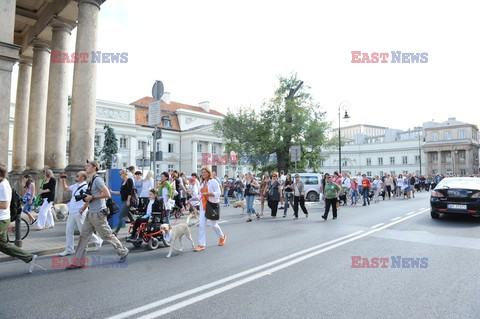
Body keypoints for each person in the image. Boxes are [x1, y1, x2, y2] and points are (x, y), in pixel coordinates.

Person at [66, 160, 129, 269]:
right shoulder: (91, 180)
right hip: (91, 213)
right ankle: (78, 262)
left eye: (88, 165)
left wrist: (93, 197)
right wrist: (86, 200)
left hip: (98, 213)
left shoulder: (98, 180)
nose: (86, 166)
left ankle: (123, 251)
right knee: (84, 236)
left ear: (94, 168)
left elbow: (107, 194)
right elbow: (92, 195)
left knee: (106, 235)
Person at [0, 164, 44, 273]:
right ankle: (28, 257)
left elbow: (4, 205)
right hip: (3, 218)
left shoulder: (3, 186)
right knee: (4, 245)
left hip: (1, 219)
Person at [59, 171, 103, 257]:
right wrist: (63, 180)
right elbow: (66, 189)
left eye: (77, 175)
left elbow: (88, 199)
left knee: (83, 231)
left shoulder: (86, 186)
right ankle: (69, 249)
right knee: (68, 231)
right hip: (71, 211)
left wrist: (82, 209)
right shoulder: (75, 185)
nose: (76, 176)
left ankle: (98, 240)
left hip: (80, 212)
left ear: (83, 178)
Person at [193, 167, 226, 252]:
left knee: (213, 225)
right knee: (201, 226)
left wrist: (208, 193)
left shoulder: (213, 182)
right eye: (202, 172)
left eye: (205, 172)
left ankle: (222, 237)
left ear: (209, 173)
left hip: (211, 206)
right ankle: (201, 244)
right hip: (203, 207)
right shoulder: (202, 183)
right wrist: (191, 200)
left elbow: (219, 193)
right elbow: (200, 196)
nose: (203, 174)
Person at [110, 170, 135, 236]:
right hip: (123, 201)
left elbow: (130, 191)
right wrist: (112, 192)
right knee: (129, 214)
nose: (120, 176)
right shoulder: (122, 182)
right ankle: (135, 227)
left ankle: (116, 232)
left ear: (124, 173)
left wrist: (128, 200)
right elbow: (121, 192)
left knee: (121, 215)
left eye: (120, 174)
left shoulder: (129, 180)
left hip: (127, 201)